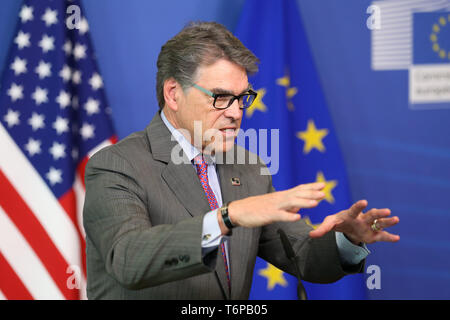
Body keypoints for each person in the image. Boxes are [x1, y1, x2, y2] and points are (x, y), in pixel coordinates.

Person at [83, 21, 400, 300]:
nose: (235, 112)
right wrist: (227, 217)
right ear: (173, 93)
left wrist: (347, 239)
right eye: (220, 97)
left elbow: (301, 254)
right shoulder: (117, 165)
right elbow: (128, 260)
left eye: (242, 98)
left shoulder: (248, 169)